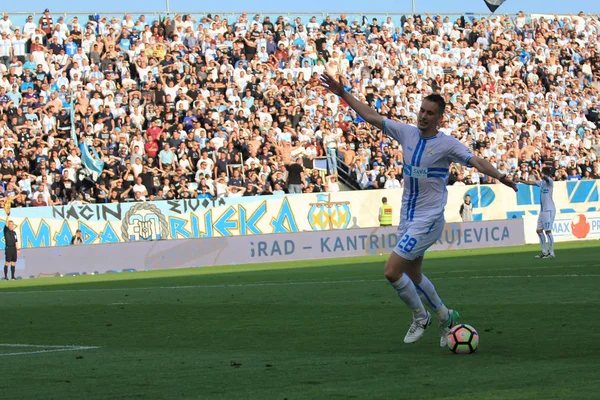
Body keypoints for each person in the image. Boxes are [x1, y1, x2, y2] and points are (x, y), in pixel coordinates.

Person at [320, 72, 517, 346]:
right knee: (413, 274)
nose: (423, 116)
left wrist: (502, 177)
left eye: (429, 113)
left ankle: (420, 316)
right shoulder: (407, 133)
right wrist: (343, 93)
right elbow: (371, 117)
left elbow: (476, 161)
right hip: (408, 216)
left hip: (429, 218)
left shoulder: (447, 144)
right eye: (421, 110)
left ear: (439, 118)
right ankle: (445, 315)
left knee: (391, 271)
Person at [518, 167, 556, 258]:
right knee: (539, 231)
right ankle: (544, 251)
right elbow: (531, 183)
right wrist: (520, 180)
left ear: (544, 173)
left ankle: (551, 252)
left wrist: (539, 173)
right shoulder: (542, 183)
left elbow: (546, 178)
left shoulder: (549, 181)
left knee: (548, 231)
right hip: (543, 210)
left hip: (549, 210)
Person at [2, 198, 19, 280]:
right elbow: (6, 222)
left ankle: (13, 276)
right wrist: (8, 215)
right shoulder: (6, 230)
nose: (11, 225)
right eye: (10, 224)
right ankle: (5, 276)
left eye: (12, 224)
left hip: (13, 248)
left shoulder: (14, 232)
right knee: (7, 262)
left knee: (14, 262)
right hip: (8, 248)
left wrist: (18, 249)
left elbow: (16, 241)